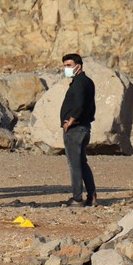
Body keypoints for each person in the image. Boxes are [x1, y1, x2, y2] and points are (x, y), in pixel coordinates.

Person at [60, 53, 97, 207]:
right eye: (64, 66)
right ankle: (92, 196)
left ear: (78, 66)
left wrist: (71, 121)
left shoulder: (79, 83)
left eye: (68, 65)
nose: (65, 69)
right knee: (82, 163)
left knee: (74, 164)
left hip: (76, 129)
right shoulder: (87, 81)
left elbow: (80, 104)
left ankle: (77, 198)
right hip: (84, 127)